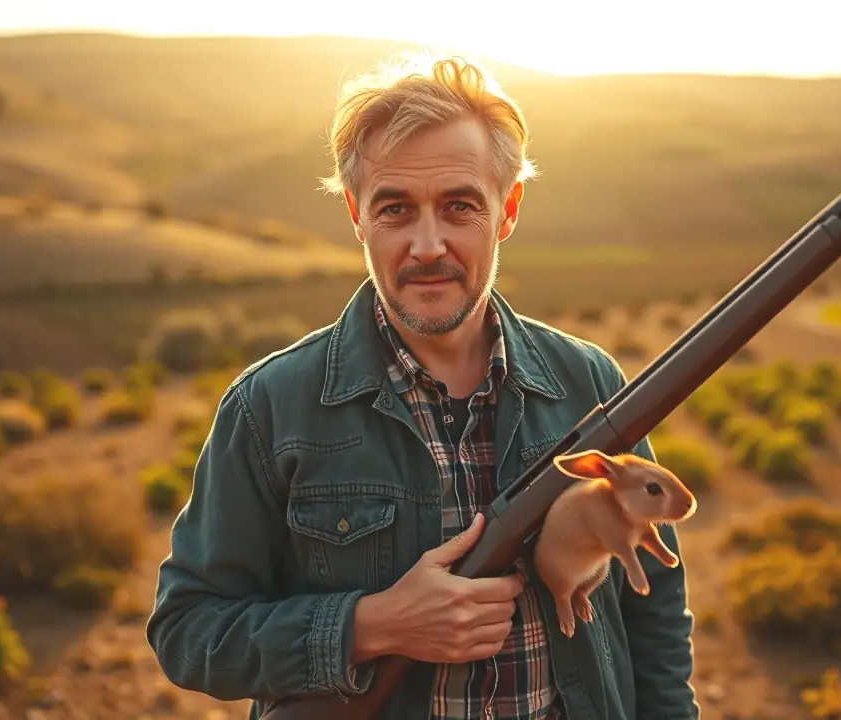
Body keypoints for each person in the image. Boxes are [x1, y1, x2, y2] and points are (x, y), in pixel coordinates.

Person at [146, 53, 699, 720]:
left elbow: (655, 611)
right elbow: (188, 631)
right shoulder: (270, 408)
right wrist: (373, 625)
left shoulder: (591, 382)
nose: (428, 244)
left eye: (460, 206)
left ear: (508, 210)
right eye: (396, 209)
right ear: (356, 215)